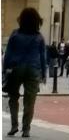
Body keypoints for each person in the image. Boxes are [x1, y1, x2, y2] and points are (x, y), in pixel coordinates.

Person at [3, 8, 48, 138]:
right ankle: (26, 129)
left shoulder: (15, 35)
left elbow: (8, 54)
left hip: (16, 68)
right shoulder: (39, 37)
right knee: (30, 101)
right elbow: (43, 57)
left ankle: (14, 126)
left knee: (13, 97)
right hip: (33, 69)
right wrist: (44, 74)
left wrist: (5, 69)